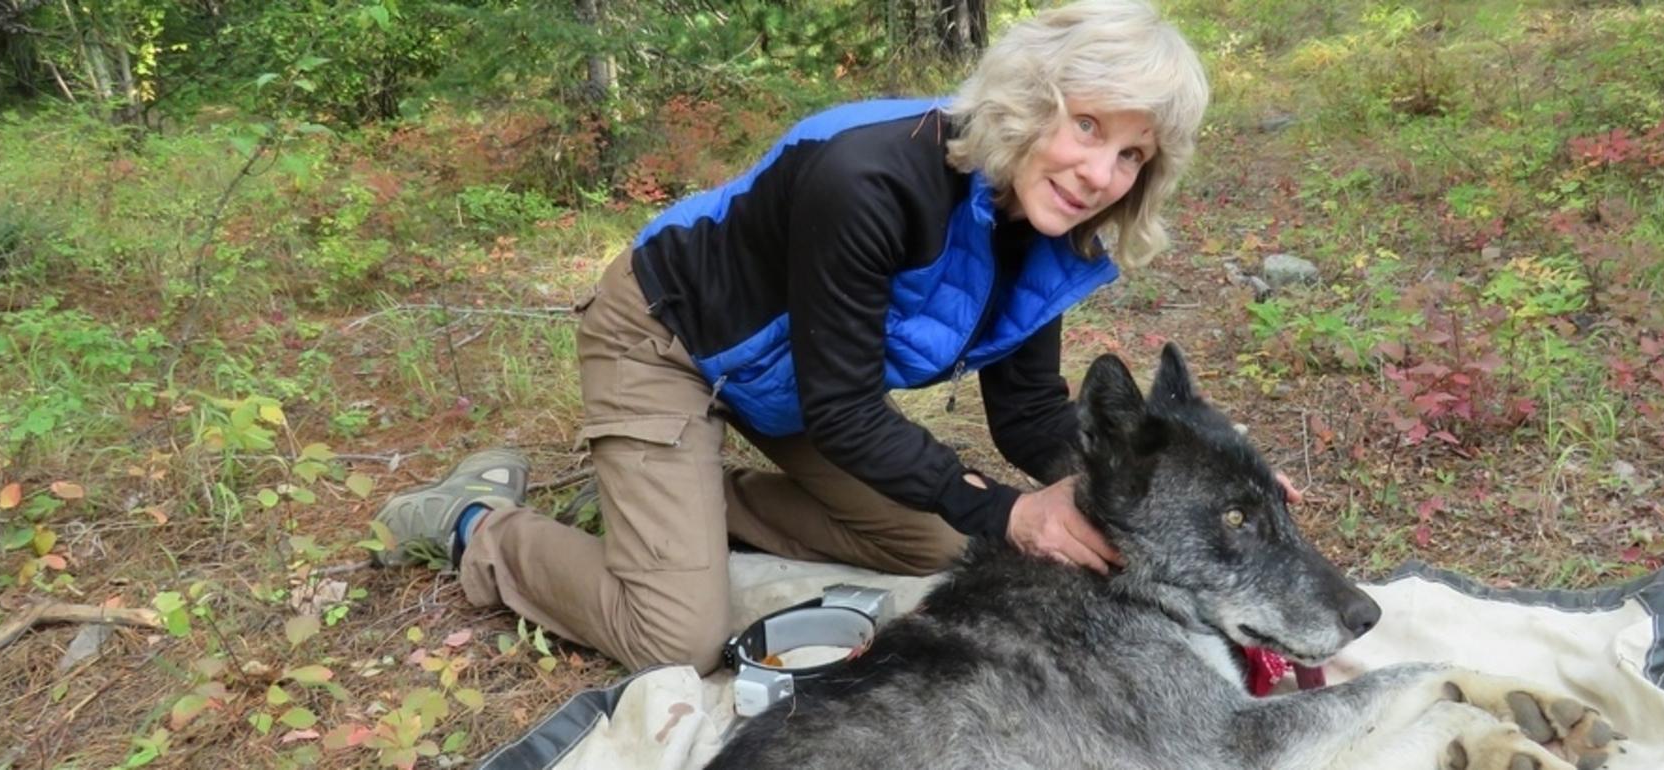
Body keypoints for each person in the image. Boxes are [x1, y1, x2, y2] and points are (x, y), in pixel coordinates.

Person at [372, 0, 1212, 675]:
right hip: (666, 337)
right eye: (1090, 126)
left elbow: (1027, 411)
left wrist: (1172, 490)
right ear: (1033, 103)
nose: (1102, 175)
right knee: (675, 642)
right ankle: (474, 522)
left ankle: (684, 505)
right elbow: (845, 407)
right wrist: (1012, 508)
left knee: (953, 541)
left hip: (792, 378)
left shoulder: (1048, 224)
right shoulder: (873, 177)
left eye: (1134, 155)